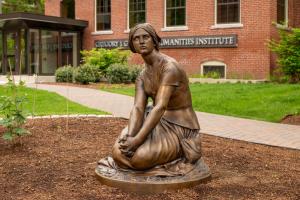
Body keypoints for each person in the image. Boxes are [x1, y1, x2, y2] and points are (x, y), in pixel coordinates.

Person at [111, 23, 202, 175]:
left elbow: (160, 106)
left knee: (139, 159)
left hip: (178, 126)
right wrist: (130, 138)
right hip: (154, 119)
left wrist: (138, 141)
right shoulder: (142, 75)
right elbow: (138, 108)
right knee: (117, 152)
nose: (141, 41)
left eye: (145, 37)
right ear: (132, 44)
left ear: (154, 40)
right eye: (136, 38)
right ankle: (137, 155)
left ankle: (179, 151)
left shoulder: (170, 68)